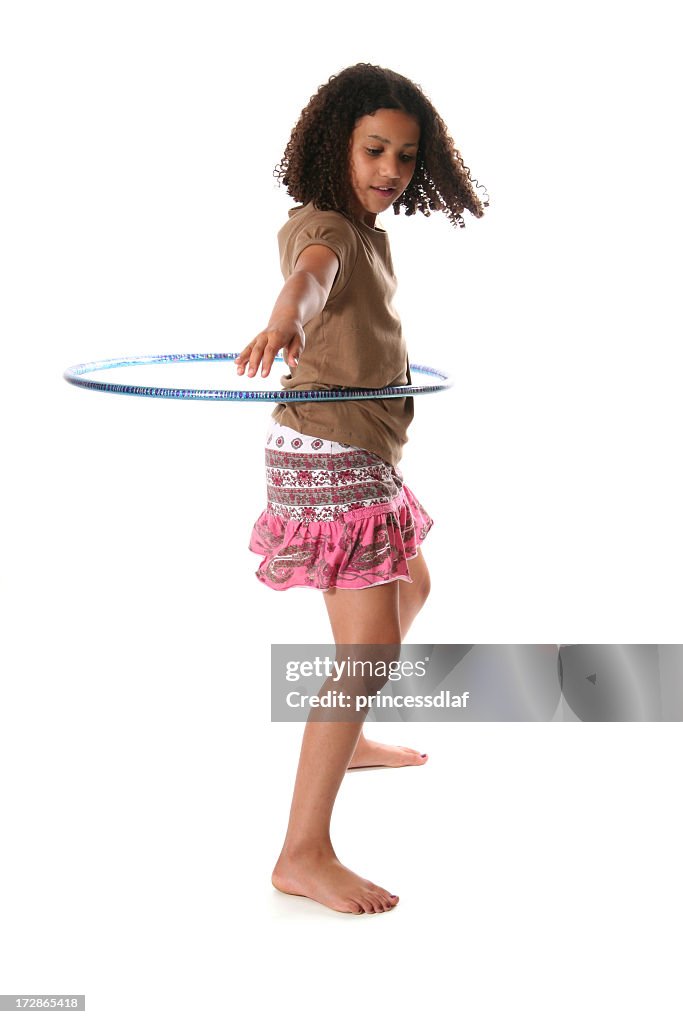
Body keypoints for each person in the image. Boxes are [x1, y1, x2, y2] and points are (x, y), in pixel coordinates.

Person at [236, 63, 487, 915]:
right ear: (333, 144)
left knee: (411, 584)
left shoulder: (363, 227)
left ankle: (345, 739)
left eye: (406, 157)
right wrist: (284, 322)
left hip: (357, 447)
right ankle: (302, 852)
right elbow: (308, 280)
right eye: (373, 149)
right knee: (364, 649)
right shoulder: (330, 232)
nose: (390, 169)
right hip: (330, 451)